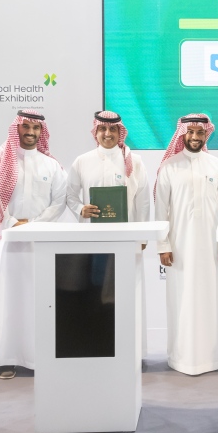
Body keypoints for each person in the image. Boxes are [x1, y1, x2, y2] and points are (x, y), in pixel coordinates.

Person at [0, 110, 67, 379]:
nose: (30, 132)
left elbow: (59, 202)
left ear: (42, 132)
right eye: (25, 127)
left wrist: (34, 225)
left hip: (41, 244)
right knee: (7, 300)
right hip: (9, 243)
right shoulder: (1, 161)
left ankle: (42, 356)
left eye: (36, 128)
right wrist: (11, 223)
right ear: (16, 128)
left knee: (43, 300)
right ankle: (7, 358)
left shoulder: (51, 165)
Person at [154, 114, 218, 375]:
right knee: (182, 300)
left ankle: (215, 356)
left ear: (206, 134)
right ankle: (183, 357)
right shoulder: (169, 167)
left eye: (200, 132)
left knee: (213, 299)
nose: (196, 137)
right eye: (191, 132)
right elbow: (160, 211)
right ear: (183, 134)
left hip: (212, 247)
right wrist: (163, 245)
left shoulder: (217, 166)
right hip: (180, 247)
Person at [66, 110, 150, 356]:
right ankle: (96, 348)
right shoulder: (82, 161)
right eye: (103, 129)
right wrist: (81, 209)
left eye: (113, 129)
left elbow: (143, 201)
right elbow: (69, 195)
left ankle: (132, 353)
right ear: (96, 131)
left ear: (119, 132)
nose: (107, 134)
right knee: (93, 293)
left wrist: (142, 236)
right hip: (92, 241)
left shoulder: (134, 162)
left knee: (126, 294)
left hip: (126, 240)